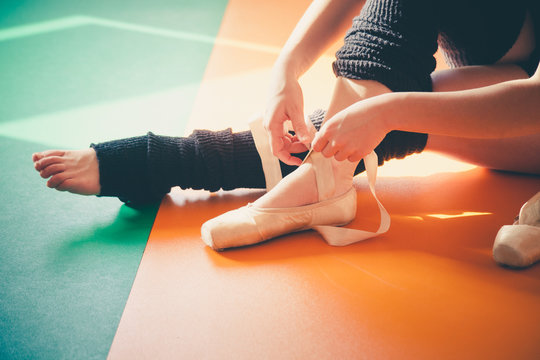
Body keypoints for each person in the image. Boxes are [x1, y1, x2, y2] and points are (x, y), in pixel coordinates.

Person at [34, 1, 540, 255]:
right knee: (360, 125)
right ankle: (325, 179)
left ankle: (169, 161)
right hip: (509, 73)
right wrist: (286, 68)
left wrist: (389, 113)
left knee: (376, 123)